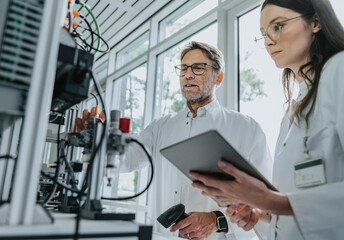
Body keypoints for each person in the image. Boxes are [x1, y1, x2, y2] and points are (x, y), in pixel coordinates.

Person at [77, 41, 272, 240]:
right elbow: (125, 160)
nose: (188, 75)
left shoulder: (246, 128)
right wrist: (97, 140)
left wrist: (216, 220)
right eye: (184, 68)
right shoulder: (161, 127)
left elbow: (264, 201)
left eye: (198, 68)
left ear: (218, 77)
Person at [190, 1, 344, 240]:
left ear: (315, 22)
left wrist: (269, 200)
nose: (268, 41)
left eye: (278, 26)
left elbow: (290, 203)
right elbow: (291, 212)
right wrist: (259, 216)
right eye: (264, 34)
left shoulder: (339, 69)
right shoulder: (294, 108)